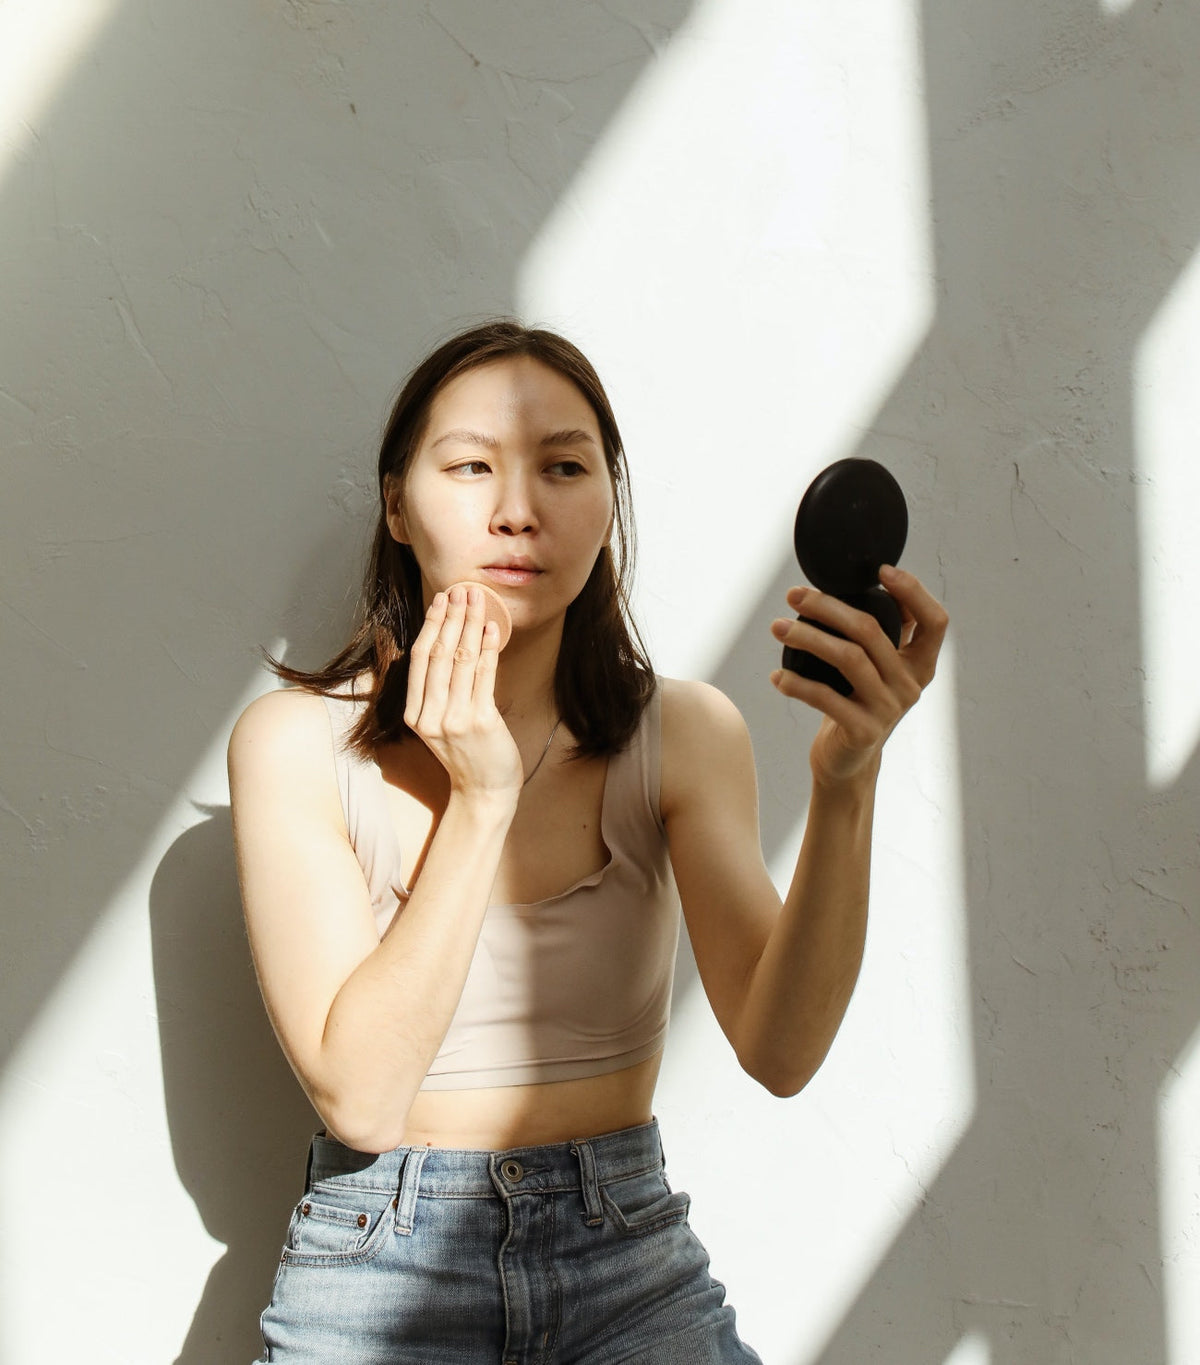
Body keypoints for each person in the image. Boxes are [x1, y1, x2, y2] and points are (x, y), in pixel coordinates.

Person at [228, 319, 948, 1363]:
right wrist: (483, 800)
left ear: (608, 501)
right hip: (376, 1260)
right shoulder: (296, 746)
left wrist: (847, 785)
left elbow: (782, 1053)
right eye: (470, 467)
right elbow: (364, 1098)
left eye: (563, 467)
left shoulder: (682, 735)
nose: (517, 510)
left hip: (627, 1261)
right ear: (396, 503)